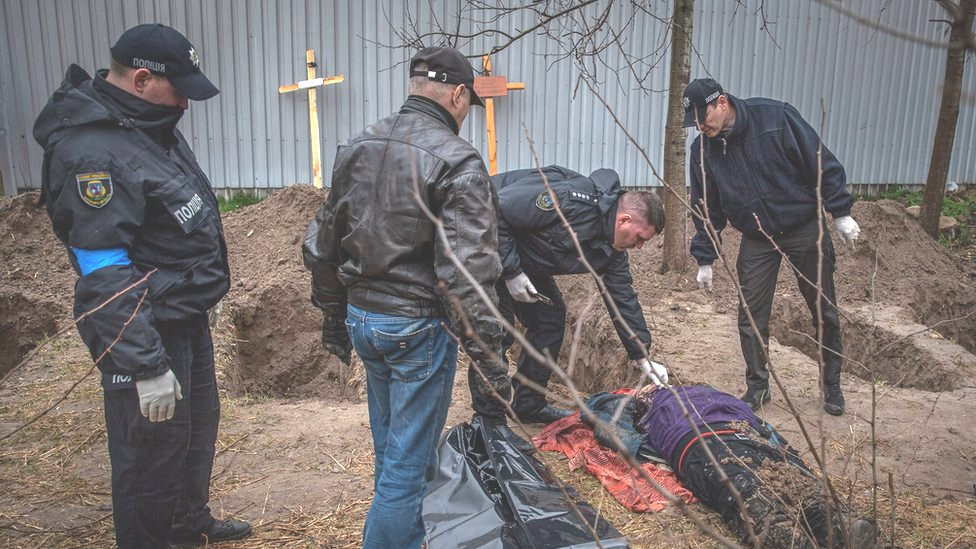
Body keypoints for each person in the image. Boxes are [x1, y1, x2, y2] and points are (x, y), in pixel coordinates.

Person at [33, 24, 251, 548]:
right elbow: (104, 272)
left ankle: (186, 521)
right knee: (151, 456)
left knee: (194, 432)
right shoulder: (93, 153)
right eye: (180, 89)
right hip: (148, 330)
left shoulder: (146, 125)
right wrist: (145, 365)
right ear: (142, 78)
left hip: (182, 316)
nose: (187, 103)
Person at [302, 46, 508, 549]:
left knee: (393, 455)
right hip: (415, 328)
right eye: (468, 105)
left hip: (364, 319)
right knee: (406, 472)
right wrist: (491, 358)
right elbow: (468, 274)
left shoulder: (357, 144)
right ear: (459, 94)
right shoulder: (457, 159)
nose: (466, 116)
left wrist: (335, 320)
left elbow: (321, 245)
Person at [683, 78, 860, 415]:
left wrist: (840, 212)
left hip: (804, 226)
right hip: (757, 237)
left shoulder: (775, 118)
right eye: (693, 123)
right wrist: (705, 257)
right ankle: (758, 387)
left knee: (823, 309)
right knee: (750, 316)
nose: (699, 127)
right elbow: (706, 207)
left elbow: (820, 162)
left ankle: (831, 385)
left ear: (721, 103)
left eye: (702, 118)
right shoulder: (702, 151)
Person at [470, 165, 669, 426]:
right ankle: (488, 422)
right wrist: (512, 272)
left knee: (550, 319)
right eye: (640, 238)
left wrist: (642, 356)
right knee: (498, 330)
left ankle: (527, 404)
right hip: (487, 241)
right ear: (624, 221)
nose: (640, 247)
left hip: (525, 259)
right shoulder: (567, 199)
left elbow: (622, 299)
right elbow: (494, 211)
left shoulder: (613, 252)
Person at [633, 384, 877, 549]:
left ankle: (783, 531)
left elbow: (632, 437)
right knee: (796, 480)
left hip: (701, 444)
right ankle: (836, 519)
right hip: (746, 434)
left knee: (746, 495)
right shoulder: (714, 394)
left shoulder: (656, 407)